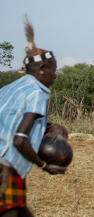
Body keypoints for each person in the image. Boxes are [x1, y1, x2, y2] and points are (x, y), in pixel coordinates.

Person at [0, 18, 65, 217]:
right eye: (54, 70)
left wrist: (48, 126)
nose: (55, 75)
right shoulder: (38, 92)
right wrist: (43, 165)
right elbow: (20, 139)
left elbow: (10, 122)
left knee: (20, 211)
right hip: (5, 167)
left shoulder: (9, 88)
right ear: (42, 69)